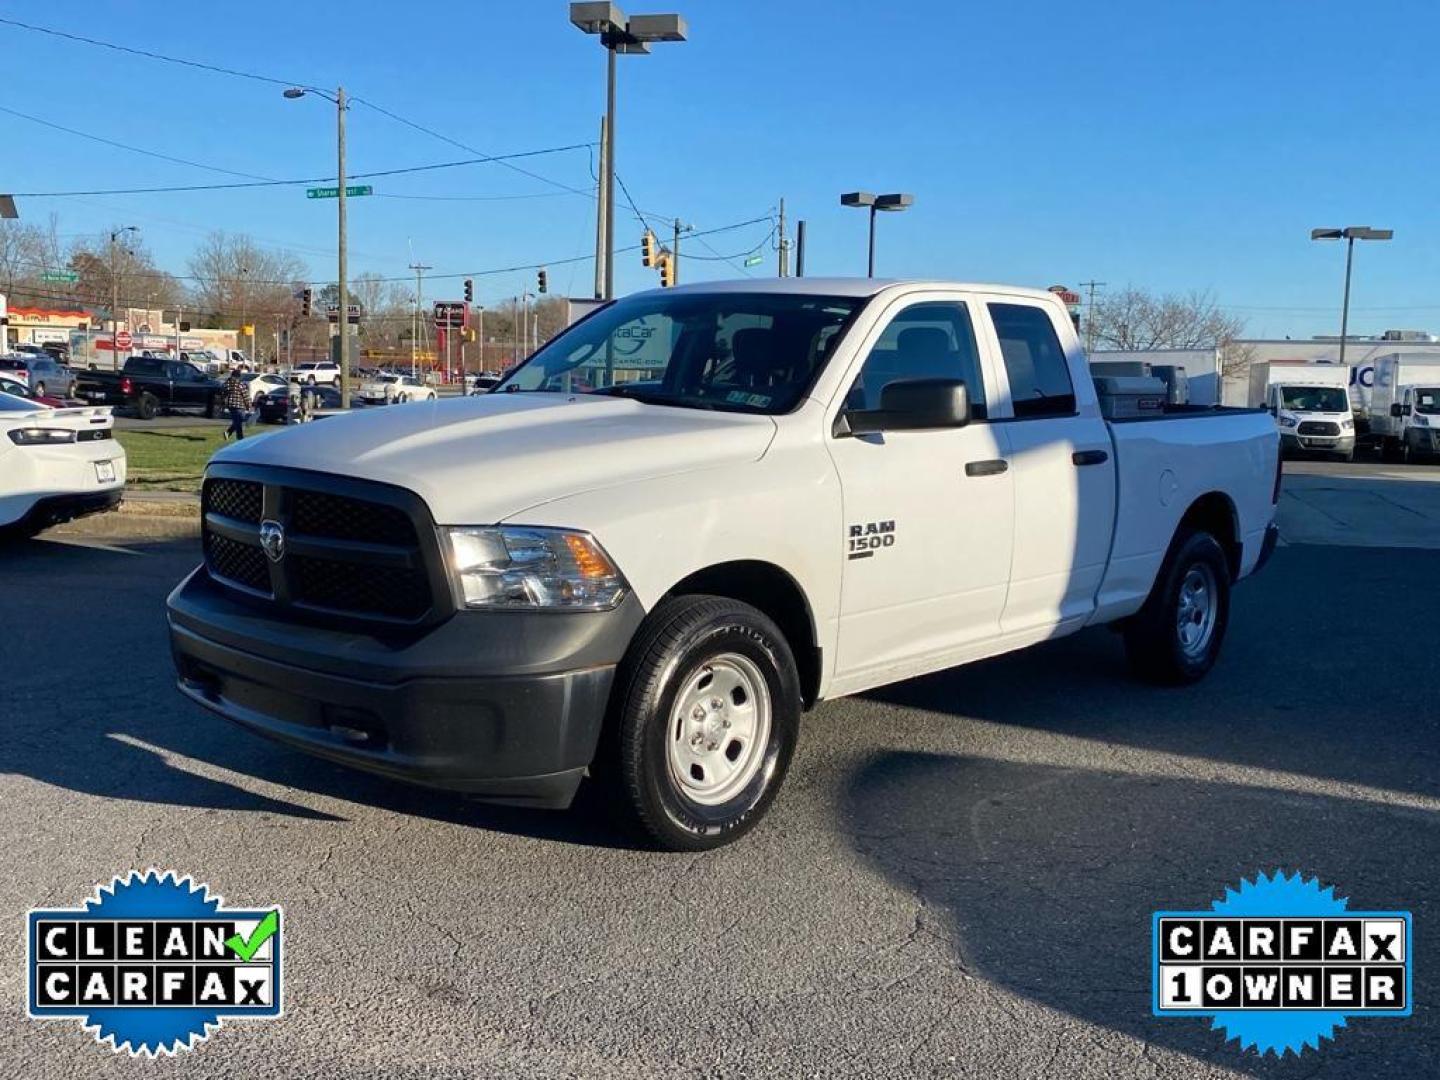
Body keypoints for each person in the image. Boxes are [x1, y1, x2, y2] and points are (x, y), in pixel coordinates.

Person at [221, 369, 249, 441]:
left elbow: (223, 394)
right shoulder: (240, 384)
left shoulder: (226, 384)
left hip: (231, 406)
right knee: (239, 422)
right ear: (238, 377)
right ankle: (240, 438)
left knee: (238, 421)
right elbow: (245, 395)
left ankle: (227, 433)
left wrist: (223, 403)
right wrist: (248, 405)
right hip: (238, 405)